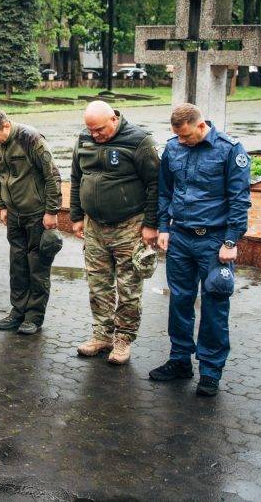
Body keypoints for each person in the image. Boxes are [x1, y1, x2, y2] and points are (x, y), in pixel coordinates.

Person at [150, 103, 251, 397]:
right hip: (180, 237)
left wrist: (231, 241)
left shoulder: (230, 149)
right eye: (177, 137)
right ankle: (180, 360)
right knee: (180, 300)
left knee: (214, 304)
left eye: (186, 136)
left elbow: (239, 199)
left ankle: (210, 370)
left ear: (201, 126)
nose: (181, 142)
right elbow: (165, 190)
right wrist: (164, 227)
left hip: (214, 241)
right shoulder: (173, 148)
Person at [69, 100, 160, 365]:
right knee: (98, 285)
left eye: (99, 130)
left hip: (129, 225)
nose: (95, 135)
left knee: (128, 287)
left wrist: (151, 224)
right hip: (94, 225)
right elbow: (77, 178)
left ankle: (123, 339)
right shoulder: (84, 138)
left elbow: (155, 184)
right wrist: (76, 216)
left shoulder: (139, 141)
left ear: (113, 119)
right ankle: (102, 335)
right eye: (91, 130)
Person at [0, 109, 63, 335]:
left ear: (6, 126)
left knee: (37, 266)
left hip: (37, 213)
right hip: (14, 214)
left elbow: (52, 175)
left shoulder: (31, 139)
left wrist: (52, 211)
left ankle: (34, 317)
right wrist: (2, 205)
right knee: (17, 265)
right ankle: (17, 312)